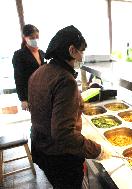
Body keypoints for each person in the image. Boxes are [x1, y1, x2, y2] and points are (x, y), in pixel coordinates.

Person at [28, 25, 111, 189]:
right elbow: (63, 133)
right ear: (72, 50)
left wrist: (77, 105)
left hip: (40, 148)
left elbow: (45, 106)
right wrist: (96, 151)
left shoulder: (41, 71)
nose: (82, 56)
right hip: (60, 157)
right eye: (81, 51)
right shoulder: (65, 80)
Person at [12, 24, 46, 110]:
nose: (35, 39)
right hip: (31, 94)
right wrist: (23, 99)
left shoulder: (42, 53)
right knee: (38, 120)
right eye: (32, 38)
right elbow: (18, 78)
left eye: (37, 36)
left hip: (45, 92)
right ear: (25, 38)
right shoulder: (19, 55)